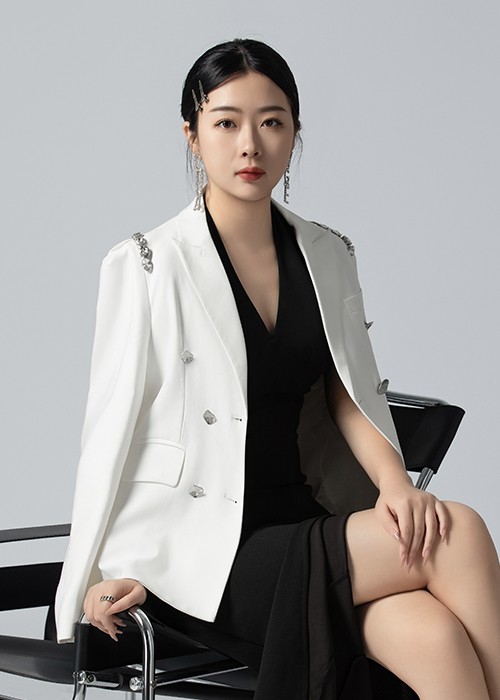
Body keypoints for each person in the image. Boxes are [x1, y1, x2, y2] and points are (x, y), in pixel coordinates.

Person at [55, 39, 500, 699]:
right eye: (226, 122)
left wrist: (394, 486)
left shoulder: (327, 253)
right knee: (457, 533)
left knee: (435, 640)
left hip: (302, 516)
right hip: (201, 553)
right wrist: (96, 572)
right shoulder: (147, 263)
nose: (250, 144)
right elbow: (110, 432)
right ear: (192, 134)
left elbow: (348, 393)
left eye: (271, 121)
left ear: (295, 133)